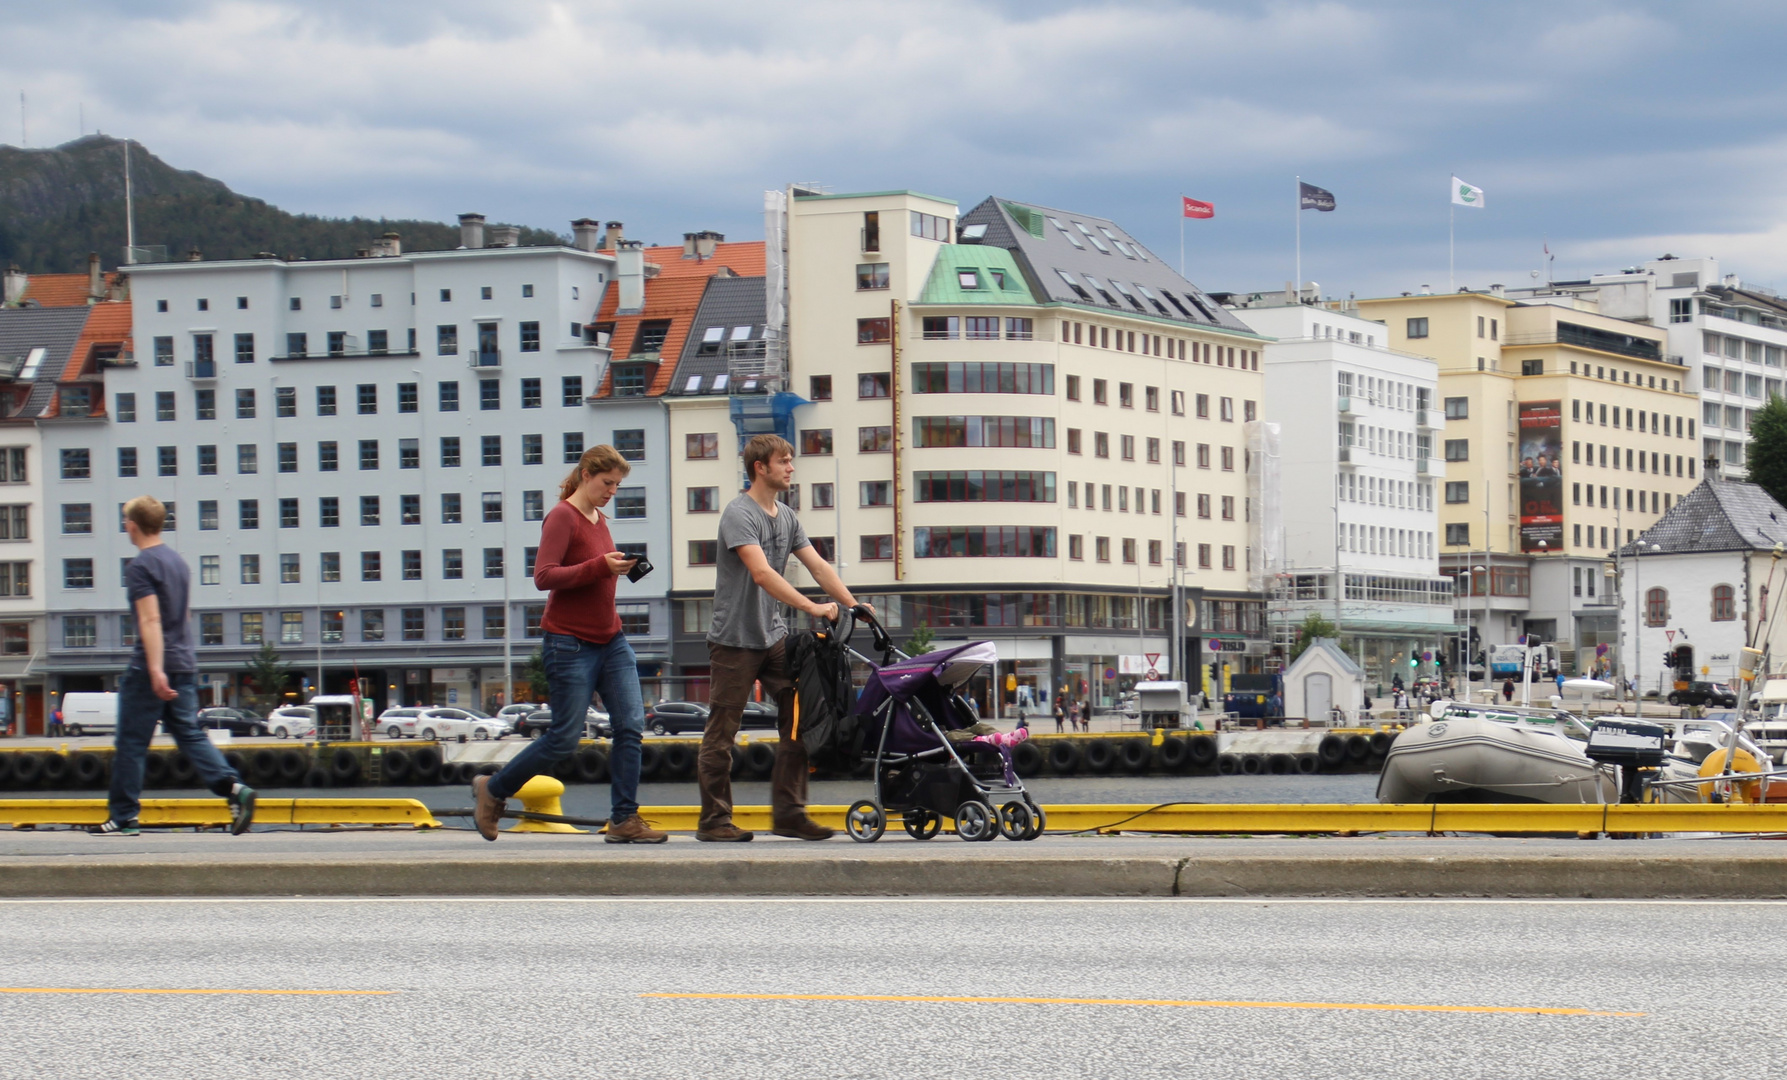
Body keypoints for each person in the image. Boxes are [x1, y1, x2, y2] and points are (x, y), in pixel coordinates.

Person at [472, 446, 663, 844]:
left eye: (617, 485)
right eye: (607, 482)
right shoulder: (562, 516)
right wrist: (600, 566)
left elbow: (594, 572)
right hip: (569, 643)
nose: (613, 491)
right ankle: (493, 789)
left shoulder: (599, 519)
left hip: (611, 640)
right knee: (563, 737)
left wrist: (617, 567)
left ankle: (624, 818)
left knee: (631, 726)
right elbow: (544, 576)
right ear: (585, 475)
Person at [698, 434, 869, 842]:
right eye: (785, 461)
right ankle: (714, 822)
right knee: (722, 731)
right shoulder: (739, 514)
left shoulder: (787, 516)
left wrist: (853, 604)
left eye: (791, 460)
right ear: (761, 467)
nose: (791, 467)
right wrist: (812, 608)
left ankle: (789, 813)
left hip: (772, 637)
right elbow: (761, 573)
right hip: (734, 641)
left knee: (802, 713)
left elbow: (818, 566)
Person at [96, 496, 254, 837]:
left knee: (131, 743)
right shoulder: (178, 563)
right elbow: (180, 617)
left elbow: (150, 619)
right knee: (189, 733)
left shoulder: (141, 566)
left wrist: (155, 669)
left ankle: (124, 816)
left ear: (134, 525)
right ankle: (233, 788)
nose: (125, 525)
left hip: (151, 666)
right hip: (184, 661)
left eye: (126, 520)